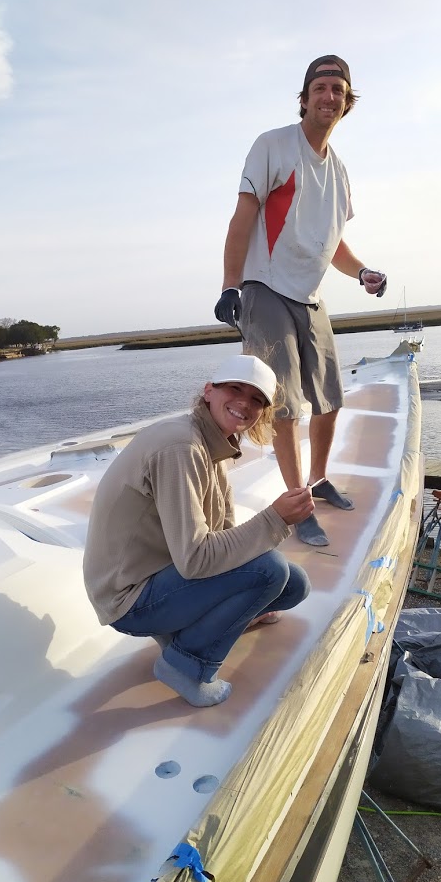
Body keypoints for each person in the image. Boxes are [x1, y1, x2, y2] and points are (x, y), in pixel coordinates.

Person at [215, 54, 387, 548]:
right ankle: (296, 501)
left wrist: (362, 272)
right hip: (265, 286)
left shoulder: (340, 172)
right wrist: (230, 285)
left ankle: (318, 478)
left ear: (347, 102)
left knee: (330, 398)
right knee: (285, 405)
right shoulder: (272, 146)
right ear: (305, 98)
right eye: (320, 88)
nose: (329, 97)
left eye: (338, 90)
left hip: (310, 296)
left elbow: (333, 243)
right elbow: (242, 217)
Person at [83, 354, 313, 708]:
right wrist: (275, 519)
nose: (244, 403)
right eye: (235, 389)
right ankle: (186, 665)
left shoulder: (211, 441)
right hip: (127, 600)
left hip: (158, 574)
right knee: (270, 572)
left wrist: (249, 598)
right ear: (209, 391)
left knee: (294, 584)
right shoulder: (182, 447)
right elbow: (194, 560)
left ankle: (187, 632)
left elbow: (222, 530)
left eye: (256, 399)